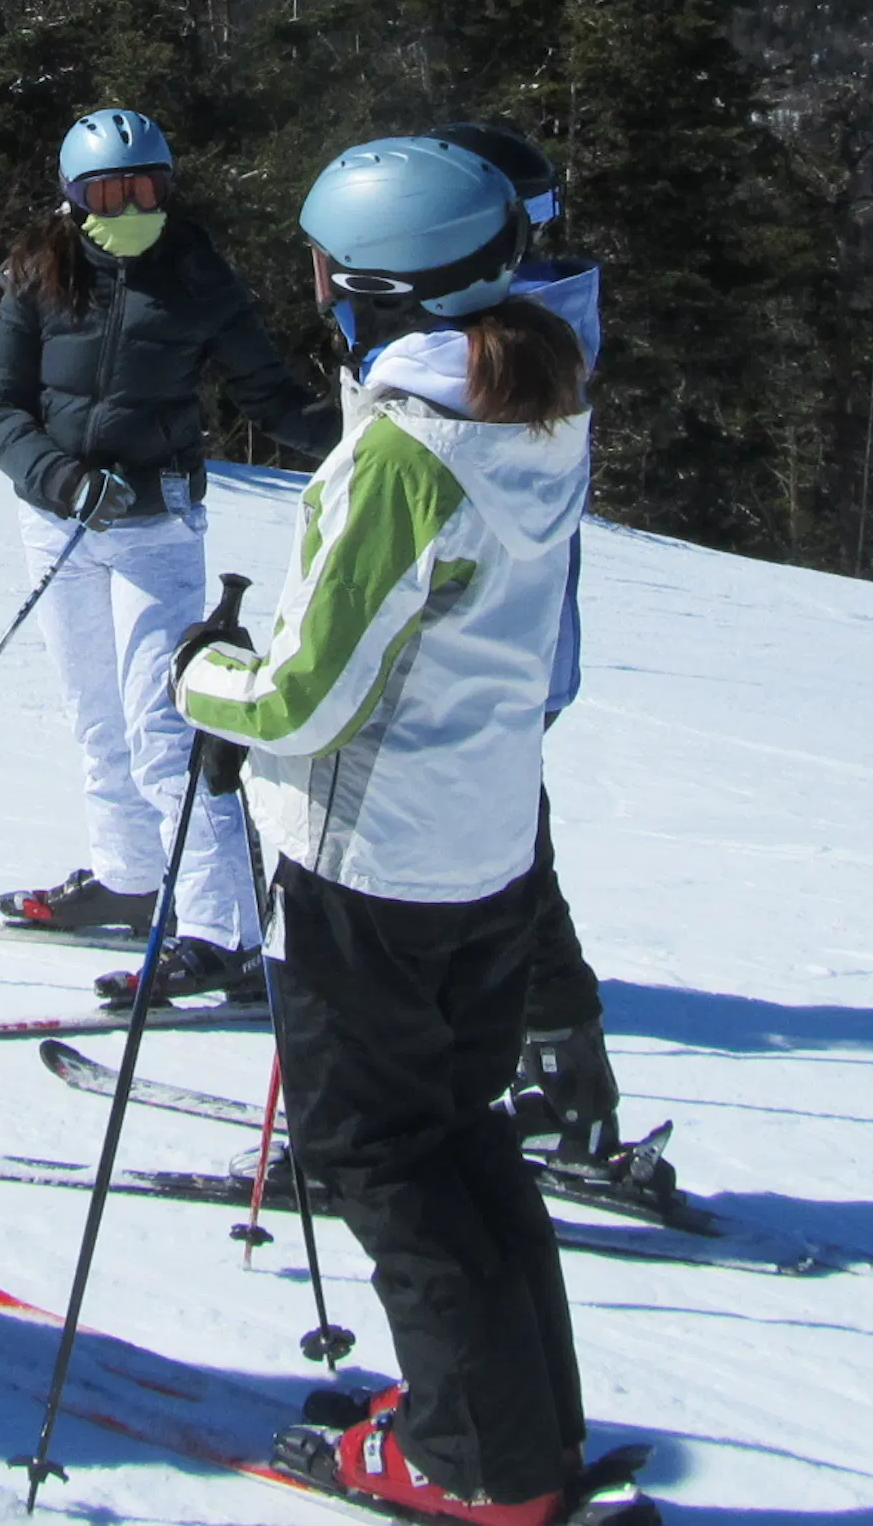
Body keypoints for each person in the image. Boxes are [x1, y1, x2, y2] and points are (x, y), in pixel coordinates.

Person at [178, 136, 595, 1524]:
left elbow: (302, 693)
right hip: (487, 847)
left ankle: (477, 1465)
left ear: (368, 291)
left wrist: (202, 679)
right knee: (457, 1130)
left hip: (372, 864)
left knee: (376, 1149)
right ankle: (519, 1431)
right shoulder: (535, 408)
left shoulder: (406, 454)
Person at [0, 105, 337, 1000]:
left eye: (148, 188)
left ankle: (228, 935)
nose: (132, 204)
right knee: (96, 715)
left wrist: (354, 431)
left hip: (155, 527)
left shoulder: (195, 274)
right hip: (58, 522)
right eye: (109, 191)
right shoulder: (40, 272)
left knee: (165, 729)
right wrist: (60, 481)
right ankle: (132, 880)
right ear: (73, 199)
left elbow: (267, 393)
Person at [423, 123, 620, 1172]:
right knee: (502, 865)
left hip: (476, 653)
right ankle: (552, 1078)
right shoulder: (534, 318)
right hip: (513, 653)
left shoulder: (512, 336)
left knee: (482, 872)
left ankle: (523, 1083)